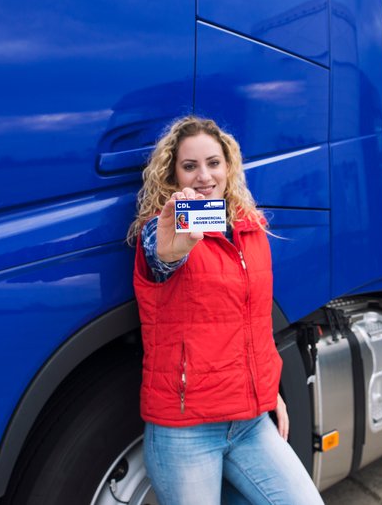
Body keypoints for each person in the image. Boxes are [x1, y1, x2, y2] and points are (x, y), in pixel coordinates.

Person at [128, 116, 324, 505]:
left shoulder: (251, 229)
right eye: (190, 166)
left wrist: (270, 393)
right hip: (186, 431)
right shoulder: (163, 229)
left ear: (229, 166)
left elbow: (254, 323)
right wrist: (174, 248)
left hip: (250, 423)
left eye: (213, 163)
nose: (204, 175)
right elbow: (161, 256)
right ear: (173, 174)